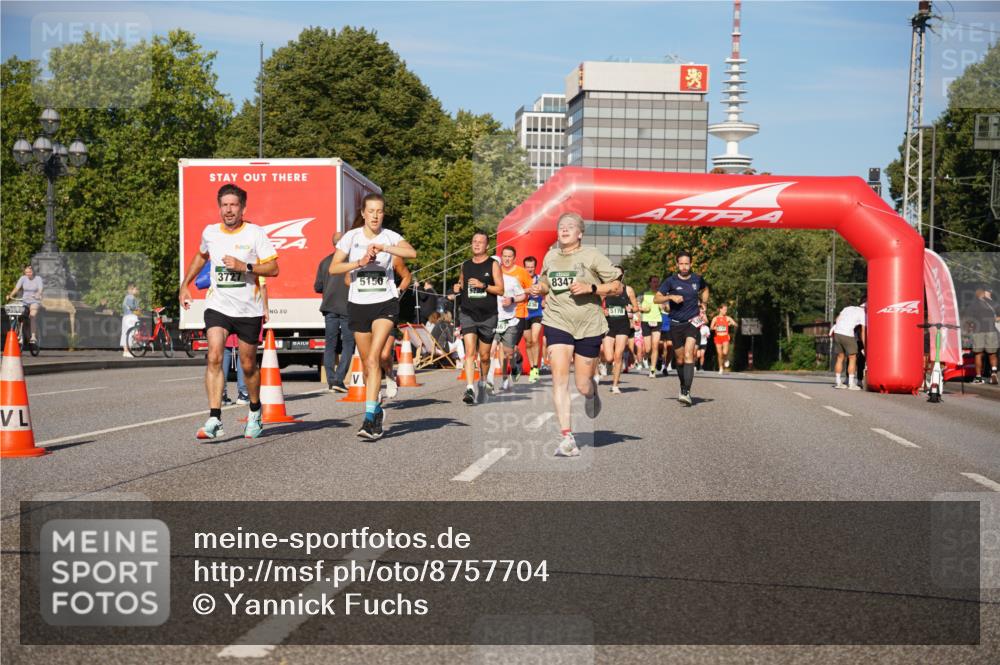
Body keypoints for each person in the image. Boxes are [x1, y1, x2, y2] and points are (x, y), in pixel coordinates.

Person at [180, 184, 279, 440]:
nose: (229, 210)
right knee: (214, 355)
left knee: (248, 365)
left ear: (243, 208)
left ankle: (255, 411)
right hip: (218, 306)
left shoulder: (255, 234)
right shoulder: (211, 233)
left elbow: (274, 268)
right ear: (219, 208)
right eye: (224, 205)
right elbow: (201, 257)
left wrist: (244, 266)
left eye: (234, 205)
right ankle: (215, 417)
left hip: (248, 309)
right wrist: (185, 285)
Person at [528, 212, 622, 457]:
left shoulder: (591, 255)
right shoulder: (550, 256)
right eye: (561, 226)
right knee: (559, 376)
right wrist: (541, 287)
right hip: (557, 320)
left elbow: (617, 286)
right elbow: (548, 282)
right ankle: (567, 436)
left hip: (588, 325)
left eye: (570, 227)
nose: (564, 229)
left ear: (580, 233)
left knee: (581, 385)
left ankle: (592, 392)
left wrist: (591, 288)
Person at [329, 193, 416, 440]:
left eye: (379, 211)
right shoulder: (351, 237)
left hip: (384, 304)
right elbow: (335, 268)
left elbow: (412, 253)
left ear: (382, 214)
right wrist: (359, 262)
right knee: (369, 365)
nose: (376, 216)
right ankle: (376, 408)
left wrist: (384, 247)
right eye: (371, 211)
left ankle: (368, 421)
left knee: (375, 357)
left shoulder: (390, 237)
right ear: (364, 214)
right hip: (358, 305)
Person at [454, 231, 505, 404]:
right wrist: (457, 287)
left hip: (488, 316)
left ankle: (483, 382)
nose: (476, 244)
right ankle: (469, 388)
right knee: (470, 352)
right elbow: (462, 283)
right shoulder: (465, 265)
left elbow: (500, 290)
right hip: (468, 313)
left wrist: (483, 285)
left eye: (480, 242)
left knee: (484, 356)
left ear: (487, 246)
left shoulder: (493, 265)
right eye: (474, 241)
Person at [655, 251, 709, 406]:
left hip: (693, 321)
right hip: (675, 323)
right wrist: (670, 297)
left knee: (688, 354)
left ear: (691, 264)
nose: (684, 266)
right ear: (677, 264)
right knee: (679, 359)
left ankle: (686, 391)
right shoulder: (670, 281)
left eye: (687, 263)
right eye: (681, 263)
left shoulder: (697, 279)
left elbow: (705, 290)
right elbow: (656, 298)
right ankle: (683, 386)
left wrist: (704, 304)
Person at [315, 232, 355, 393]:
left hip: (329, 307)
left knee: (330, 344)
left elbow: (317, 287)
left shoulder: (325, 262)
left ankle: (331, 380)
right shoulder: (352, 262)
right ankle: (339, 379)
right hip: (347, 307)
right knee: (348, 343)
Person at [496, 246, 533, 391]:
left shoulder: (521, 272)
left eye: (509, 256)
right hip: (499, 315)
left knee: (511, 349)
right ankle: (504, 378)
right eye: (504, 256)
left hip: (517, 313)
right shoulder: (497, 271)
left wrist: (515, 295)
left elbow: (531, 289)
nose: (506, 259)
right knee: (501, 348)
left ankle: (517, 360)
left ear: (514, 258)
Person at [600, 265, 639, 394]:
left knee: (618, 356)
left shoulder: (628, 290)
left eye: (619, 274)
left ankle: (615, 385)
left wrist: (630, 309)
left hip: (623, 325)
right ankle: (605, 363)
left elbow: (636, 307)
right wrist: (603, 311)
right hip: (608, 325)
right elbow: (597, 305)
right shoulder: (606, 289)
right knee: (609, 357)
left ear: (622, 276)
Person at [378, 255, 412, 399]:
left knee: (385, 354)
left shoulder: (393, 258)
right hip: (366, 310)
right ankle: (375, 391)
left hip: (387, 310)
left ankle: (389, 374)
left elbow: (407, 277)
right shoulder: (361, 258)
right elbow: (348, 279)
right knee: (371, 358)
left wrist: (398, 290)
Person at [829, 298, 867, 390]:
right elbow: (862, 331)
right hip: (847, 334)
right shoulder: (863, 313)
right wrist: (865, 345)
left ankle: (838, 382)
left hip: (837, 332)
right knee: (853, 357)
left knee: (840, 357)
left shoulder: (847, 308)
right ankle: (851, 384)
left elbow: (837, 319)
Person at [968, 287, 999, 384]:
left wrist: (971, 326)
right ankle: (993, 373)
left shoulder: (973, 305)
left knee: (978, 354)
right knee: (992, 354)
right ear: (985, 293)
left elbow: (969, 320)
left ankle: (978, 377)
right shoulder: (993, 303)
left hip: (978, 331)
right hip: (991, 331)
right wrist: (996, 319)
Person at [522, 256, 545, 383]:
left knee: (535, 338)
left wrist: (545, 301)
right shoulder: (521, 280)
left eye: (532, 266)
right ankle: (531, 366)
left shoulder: (540, 279)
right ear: (524, 267)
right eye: (527, 266)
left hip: (537, 312)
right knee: (528, 341)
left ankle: (536, 368)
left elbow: (547, 291)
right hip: (525, 313)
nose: (530, 269)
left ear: (535, 267)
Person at [8, 264, 43, 344]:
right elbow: (16, 288)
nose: (28, 274)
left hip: (34, 301)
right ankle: (20, 334)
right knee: (20, 315)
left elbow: (40, 289)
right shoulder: (23, 278)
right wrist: (10, 295)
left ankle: (33, 337)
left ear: (33, 271)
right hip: (24, 301)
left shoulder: (38, 279)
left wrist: (38, 294)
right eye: (26, 272)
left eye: (29, 272)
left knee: (32, 316)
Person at [639, 276, 662, 377]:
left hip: (657, 320)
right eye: (654, 282)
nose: (656, 284)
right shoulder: (644, 294)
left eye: (657, 282)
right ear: (650, 283)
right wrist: (643, 308)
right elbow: (638, 306)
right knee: (648, 349)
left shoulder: (661, 294)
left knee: (655, 345)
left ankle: (652, 369)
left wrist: (664, 306)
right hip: (646, 321)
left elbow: (667, 307)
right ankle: (648, 357)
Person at [710, 304, 737, 374]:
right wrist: (715, 327)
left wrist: (732, 323)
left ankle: (726, 359)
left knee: (724, 352)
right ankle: (721, 368)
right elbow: (711, 327)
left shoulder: (727, 318)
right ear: (720, 309)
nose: (726, 311)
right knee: (719, 354)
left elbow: (735, 324)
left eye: (726, 310)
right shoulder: (715, 318)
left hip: (725, 337)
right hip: (718, 337)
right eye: (724, 309)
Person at [120, 283, 140, 357]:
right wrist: (137, 309)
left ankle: (126, 351)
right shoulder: (131, 297)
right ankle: (128, 351)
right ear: (131, 290)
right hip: (131, 317)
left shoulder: (127, 297)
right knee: (131, 334)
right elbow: (131, 307)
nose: (138, 290)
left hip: (126, 317)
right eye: (136, 289)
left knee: (126, 334)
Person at [696, 304, 710, 371]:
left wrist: (704, 313)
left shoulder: (706, 327)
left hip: (703, 342)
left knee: (702, 355)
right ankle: (695, 365)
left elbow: (706, 321)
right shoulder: (695, 313)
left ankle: (701, 367)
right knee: (697, 355)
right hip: (697, 341)